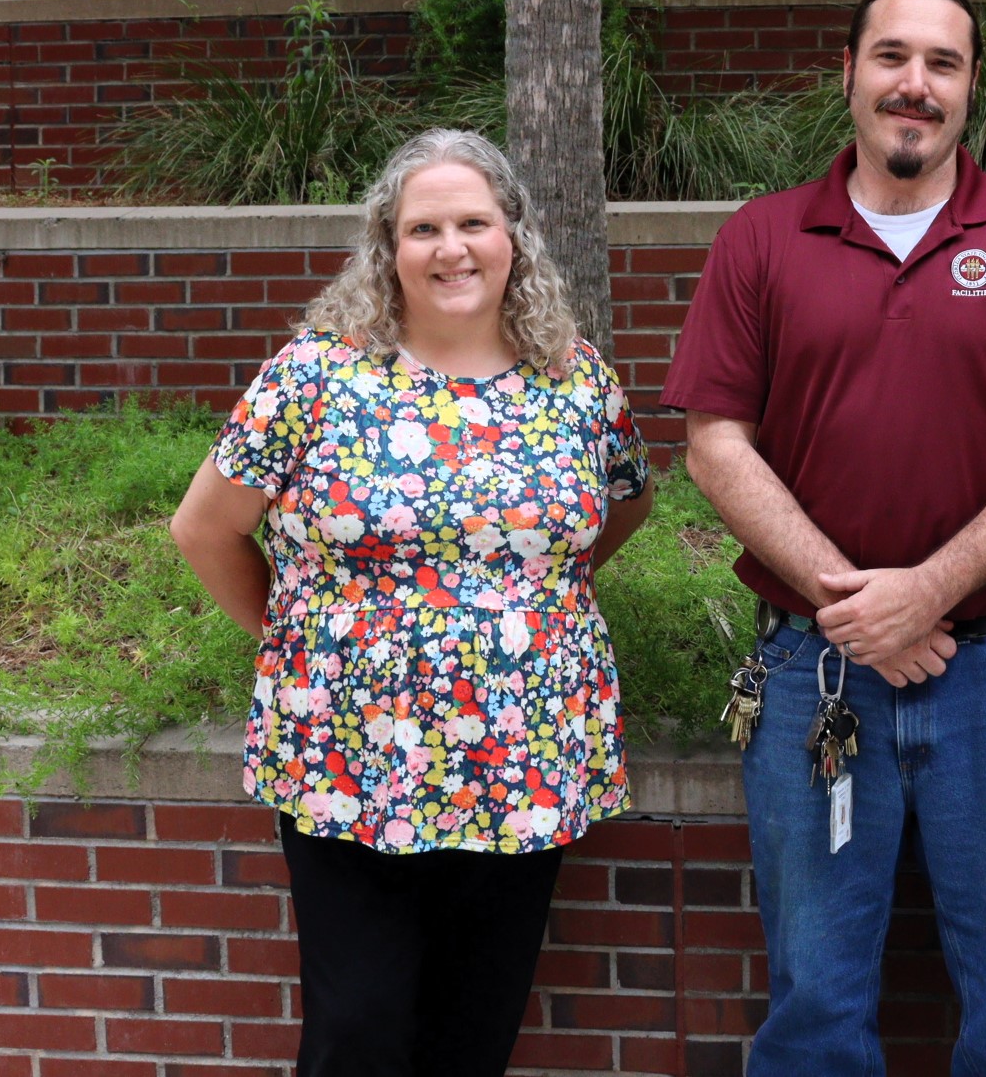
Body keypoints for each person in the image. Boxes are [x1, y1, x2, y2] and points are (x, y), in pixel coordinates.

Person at [662, 0, 986, 1076]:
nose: (913, 85)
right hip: (812, 679)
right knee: (815, 1012)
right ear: (848, 74)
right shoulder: (762, 240)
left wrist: (925, 592)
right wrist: (857, 605)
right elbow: (713, 446)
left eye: (941, 63)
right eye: (891, 58)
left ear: (971, 86)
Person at [169, 128, 653, 1077]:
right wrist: (298, 642)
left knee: (474, 1033)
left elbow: (622, 506)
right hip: (349, 756)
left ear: (513, 235)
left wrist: (537, 600)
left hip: (524, 755)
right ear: (388, 249)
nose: (451, 247)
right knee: (359, 1032)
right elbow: (204, 528)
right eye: (422, 227)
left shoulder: (576, 381)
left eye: (473, 221)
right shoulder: (314, 375)